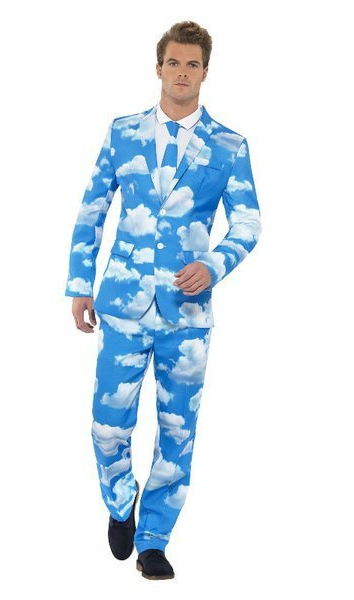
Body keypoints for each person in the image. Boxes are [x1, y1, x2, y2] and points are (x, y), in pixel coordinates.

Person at [64, 20, 262, 580]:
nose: (182, 72)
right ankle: (120, 501)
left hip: (187, 315)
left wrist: (214, 264)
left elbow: (248, 221)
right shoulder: (122, 132)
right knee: (108, 425)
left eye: (192, 64)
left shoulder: (229, 145)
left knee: (177, 432)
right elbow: (92, 209)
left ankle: (153, 539)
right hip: (122, 304)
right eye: (173, 62)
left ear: (205, 72)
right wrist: (80, 283)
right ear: (158, 68)